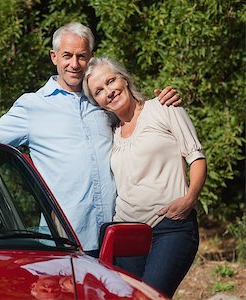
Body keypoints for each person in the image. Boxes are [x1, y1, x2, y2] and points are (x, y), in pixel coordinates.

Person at [0, 22, 180, 257]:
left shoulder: (102, 101)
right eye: (67, 56)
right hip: (63, 241)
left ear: (90, 58)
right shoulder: (33, 106)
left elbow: (137, 118)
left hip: (115, 233)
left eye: (82, 56)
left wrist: (164, 101)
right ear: (54, 57)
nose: (74, 64)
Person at [82, 56, 207, 297]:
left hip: (170, 226)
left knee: (149, 296)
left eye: (111, 81)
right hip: (125, 233)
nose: (109, 91)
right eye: (99, 91)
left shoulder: (163, 107)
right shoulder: (111, 132)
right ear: (97, 101)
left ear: (124, 79)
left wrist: (190, 198)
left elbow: (197, 157)